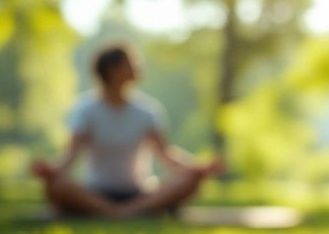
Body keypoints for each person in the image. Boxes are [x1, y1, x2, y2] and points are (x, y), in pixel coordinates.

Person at [31, 43, 223, 218]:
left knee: (190, 181)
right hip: (96, 192)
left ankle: (120, 212)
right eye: (130, 63)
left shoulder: (147, 110)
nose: (137, 68)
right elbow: (70, 156)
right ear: (112, 71)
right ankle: (121, 212)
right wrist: (51, 170)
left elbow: (167, 155)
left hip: (139, 191)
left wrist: (198, 167)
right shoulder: (85, 110)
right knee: (55, 186)